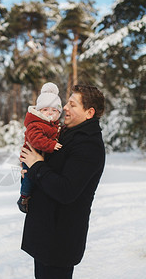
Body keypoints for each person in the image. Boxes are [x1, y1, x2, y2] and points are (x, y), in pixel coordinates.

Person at [20, 84, 105, 279]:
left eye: (73, 105)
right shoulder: (66, 133)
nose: (65, 107)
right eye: (67, 102)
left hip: (59, 241)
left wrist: (37, 167)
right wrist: (30, 170)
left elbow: (66, 190)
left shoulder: (89, 145)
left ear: (89, 112)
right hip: (46, 233)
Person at [17, 82, 63, 213]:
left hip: (40, 159)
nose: (50, 113)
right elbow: (36, 140)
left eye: (54, 110)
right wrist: (51, 145)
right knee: (28, 178)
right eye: (46, 110)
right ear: (39, 111)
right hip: (30, 156)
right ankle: (24, 197)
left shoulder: (53, 125)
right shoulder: (35, 124)